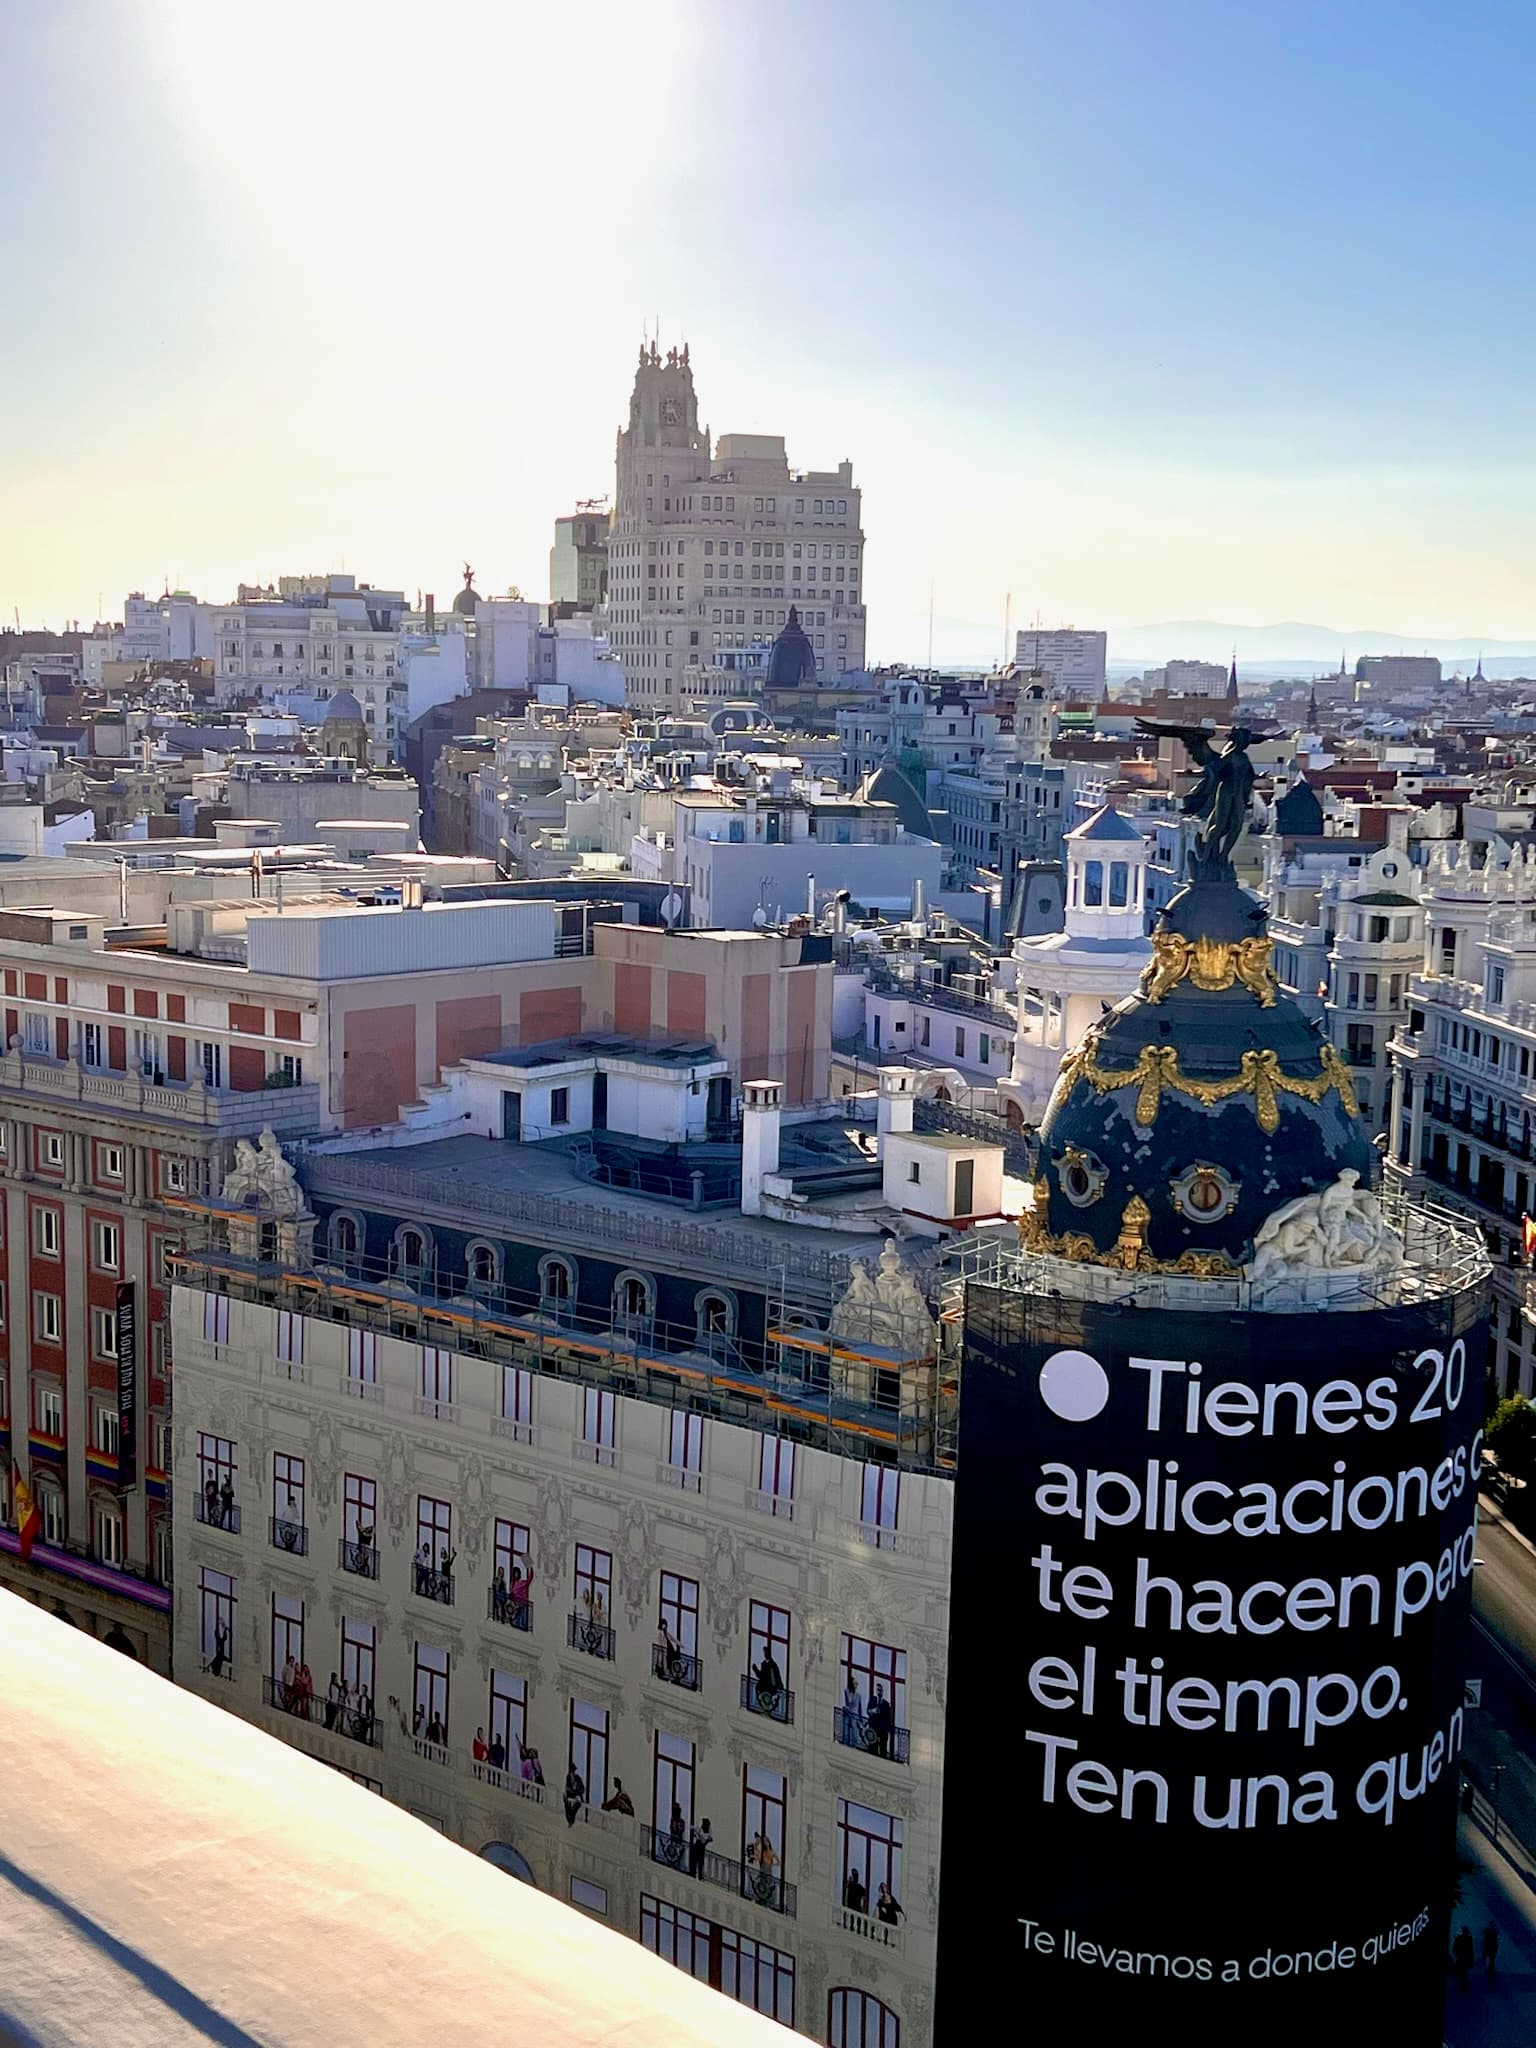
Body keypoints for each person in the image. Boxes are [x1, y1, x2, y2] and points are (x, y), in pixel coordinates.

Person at [866, 1683, 894, 1759]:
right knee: (873, 1746)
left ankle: (883, 1757)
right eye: (878, 1690)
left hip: (882, 1729)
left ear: (882, 1691)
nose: (879, 1692)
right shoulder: (872, 1700)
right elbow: (868, 1711)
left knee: (883, 1747)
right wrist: (873, 1711)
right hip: (873, 1727)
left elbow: (888, 1717)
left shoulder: (886, 1704)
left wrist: (888, 1728)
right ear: (876, 1691)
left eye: (880, 1690)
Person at [841, 1675, 864, 1746]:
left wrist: (861, 1718)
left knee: (854, 1731)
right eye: (854, 1683)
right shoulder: (846, 1691)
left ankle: (854, 1745)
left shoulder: (858, 1695)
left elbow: (860, 1708)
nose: (856, 1685)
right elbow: (848, 1701)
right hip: (848, 1713)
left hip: (855, 1715)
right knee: (846, 1730)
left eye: (856, 1683)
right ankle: (845, 1743)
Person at [1452, 1924, 1475, 1990]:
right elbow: (1471, 1950)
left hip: (1461, 1957)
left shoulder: (1460, 1938)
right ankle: (1464, 1984)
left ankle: (1463, 1984)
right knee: (1463, 1972)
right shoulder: (1468, 1939)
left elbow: (1454, 1948)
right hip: (1464, 1958)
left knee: (1462, 1971)